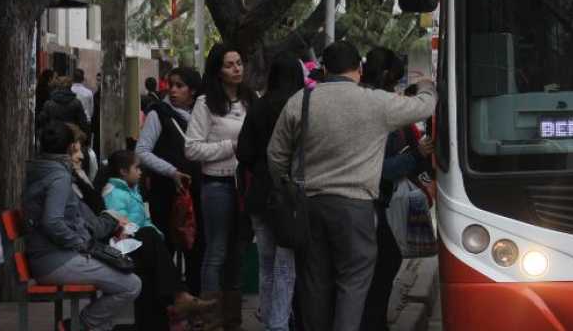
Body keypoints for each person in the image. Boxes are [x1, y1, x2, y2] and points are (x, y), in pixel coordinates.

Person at [267, 41, 437, 331]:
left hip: (309, 204)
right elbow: (424, 107)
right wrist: (425, 86)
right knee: (354, 281)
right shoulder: (374, 102)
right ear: (358, 68)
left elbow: (276, 154)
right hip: (355, 207)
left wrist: (287, 186)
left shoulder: (302, 100)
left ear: (323, 69)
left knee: (314, 282)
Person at [22, 121, 141, 331]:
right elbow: (52, 221)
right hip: (56, 260)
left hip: (48, 257)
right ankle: (78, 325)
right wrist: (80, 243)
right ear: (69, 148)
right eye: (76, 148)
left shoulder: (41, 168)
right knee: (131, 285)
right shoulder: (58, 176)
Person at [359, 49, 434, 331]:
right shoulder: (380, 105)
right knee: (382, 263)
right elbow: (380, 168)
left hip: (373, 200)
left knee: (384, 261)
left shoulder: (375, 101)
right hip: (366, 200)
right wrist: (415, 155)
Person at [98, 150, 216, 328]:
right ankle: (179, 296)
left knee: (153, 263)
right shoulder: (113, 193)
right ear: (123, 171)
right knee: (150, 238)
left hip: (136, 244)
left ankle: (170, 308)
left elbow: (145, 221)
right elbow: (120, 225)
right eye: (137, 168)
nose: (140, 172)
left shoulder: (132, 191)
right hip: (121, 247)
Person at [236, 52, 305, 331]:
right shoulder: (301, 107)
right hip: (290, 197)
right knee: (286, 265)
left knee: (267, 264)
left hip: (260, 195)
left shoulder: (259, 106)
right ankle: (279, 323)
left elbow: (244, 152)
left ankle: (269, 317)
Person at [185, 44, 251, 330]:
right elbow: (192, 149)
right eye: (229, 64)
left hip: (244, 186)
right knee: (217, 252)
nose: (236, 69)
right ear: (217, 70)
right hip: (217, 184)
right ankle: (209, 320)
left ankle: (232, 321)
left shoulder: (251, 98)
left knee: (237, 254)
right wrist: (231, 147)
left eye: (239, 63)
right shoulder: (204, 103)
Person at [135, 67, 205, 292]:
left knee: (196, 249)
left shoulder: (201, 115)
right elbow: (142, 152)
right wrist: (171, 171)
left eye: (180, 86)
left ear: (192, 91)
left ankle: (193, 302)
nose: (173, 90)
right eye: (171, 85)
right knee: (166, 250)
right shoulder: (159, 114)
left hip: (195, 194)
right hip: (164, 194)